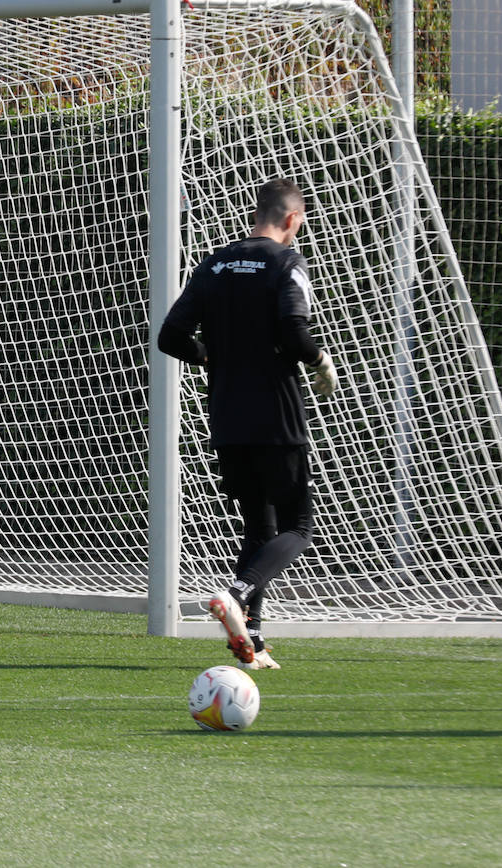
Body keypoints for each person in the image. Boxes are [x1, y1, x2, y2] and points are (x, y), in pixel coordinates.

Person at [157, 178, 338, 670]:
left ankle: (251, 642)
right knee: (299, 526)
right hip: (276, 414)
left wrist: (210, 356)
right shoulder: (286, 262)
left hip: (228, 417)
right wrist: (320, 360)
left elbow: (170, 336)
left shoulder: (214, 264)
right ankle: (236, 595)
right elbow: (295, 333)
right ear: (292, 219)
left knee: (259, 528)